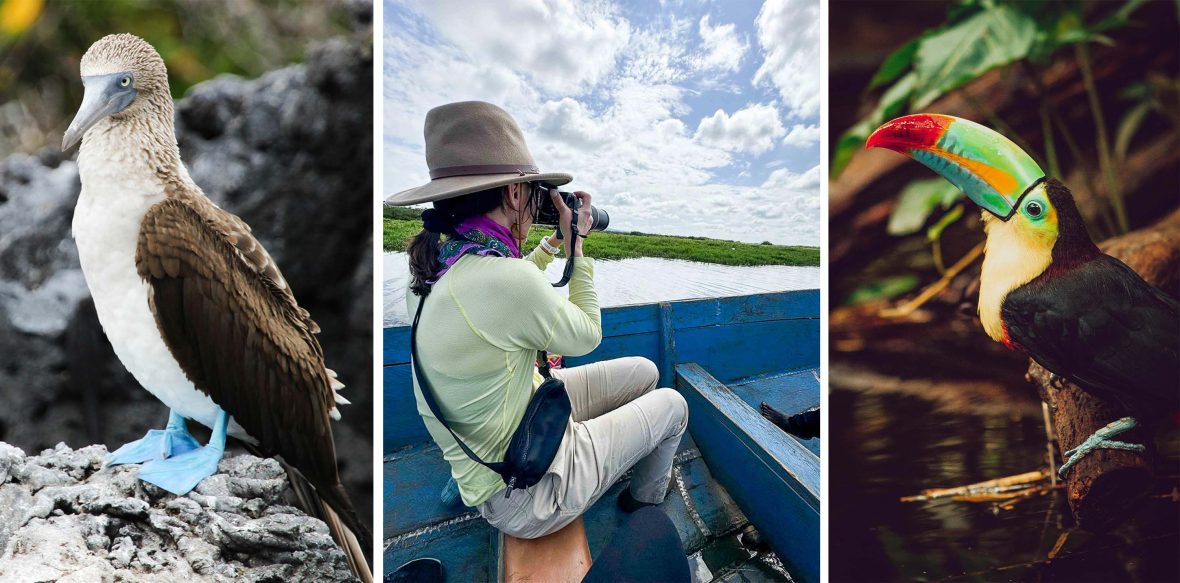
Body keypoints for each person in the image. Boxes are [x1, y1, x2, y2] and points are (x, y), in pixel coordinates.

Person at [387, 101, 688, 540]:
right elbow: (587, 333)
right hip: (525, 494)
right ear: (512, 194)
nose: (533, 206)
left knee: (645, 371)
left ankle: (601, 445)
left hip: (509, 435)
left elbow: (502, 291)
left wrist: (547, 247)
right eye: (530, 195)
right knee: (674, 407)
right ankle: (641, 500)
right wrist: (577, 247)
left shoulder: (436, 269)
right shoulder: (504, 281)